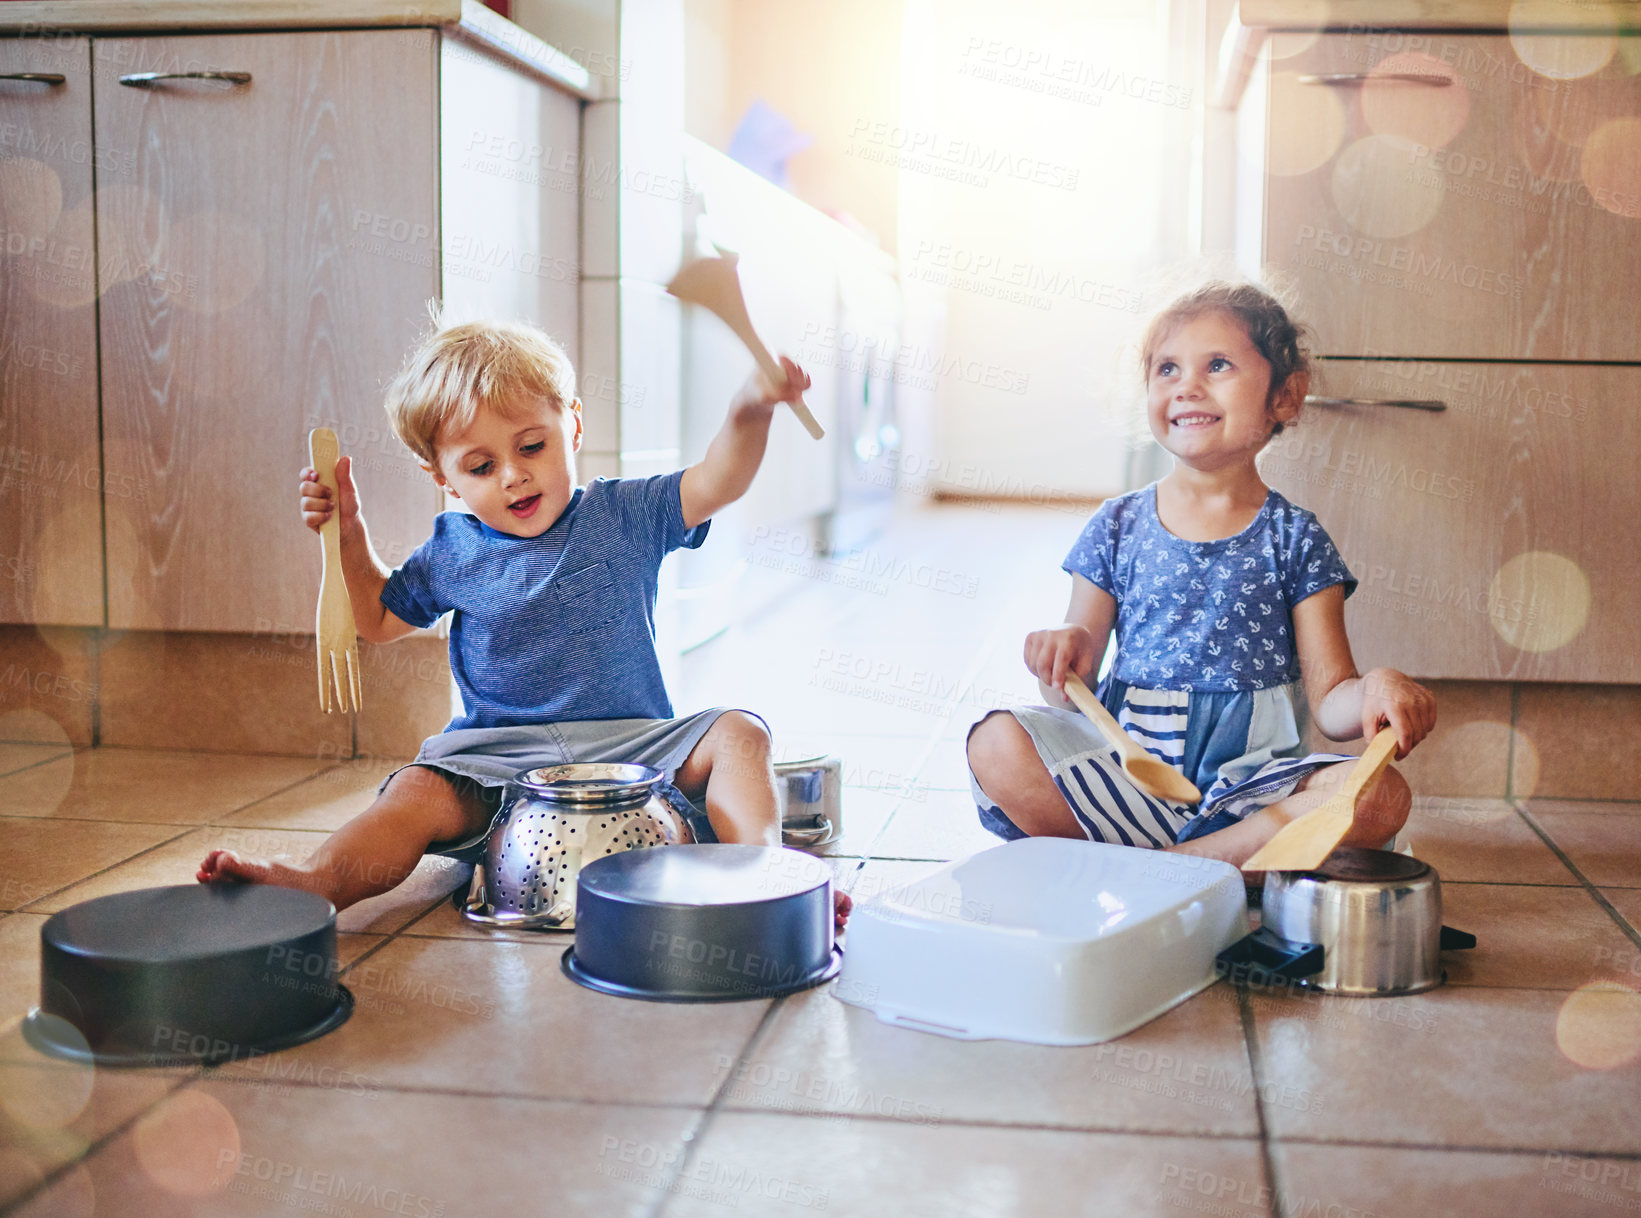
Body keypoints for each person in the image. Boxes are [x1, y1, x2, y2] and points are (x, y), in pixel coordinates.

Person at [198, 319, 849, 923]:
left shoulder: (626, 513)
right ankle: (317, 882)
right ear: (444, 478)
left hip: (632, 749)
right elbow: (375, 620)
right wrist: (348, 532)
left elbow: (720, 478)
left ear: (572, 426)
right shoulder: (452, 551)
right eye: (480, 467)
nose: (513, 476)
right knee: (414, 792)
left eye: (531, 446)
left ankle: (764, 873)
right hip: (498, 761)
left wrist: (751, 407)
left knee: (738, 733)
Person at [966, 282, 1436, 868]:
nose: (1186, 385)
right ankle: (1210, 867)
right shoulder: (1115, 526)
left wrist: (1377, 689)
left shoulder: (1296, 539)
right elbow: (1067, 694)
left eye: (1217, 365)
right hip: (1129, 777)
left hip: (1255, 793)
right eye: (1167, 369)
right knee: (996, 741)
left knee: (1380, 795)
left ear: (1285, 397)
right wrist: (1061, 656)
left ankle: (1158, 867)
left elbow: (1332, 703)